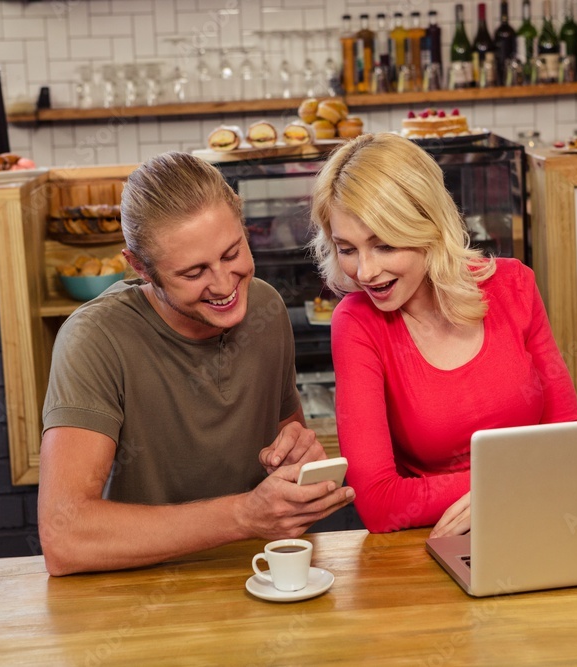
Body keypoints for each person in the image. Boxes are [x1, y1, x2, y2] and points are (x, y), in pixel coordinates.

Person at [38, 151, 355, 576]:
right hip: (142, 591)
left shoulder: (265, 306)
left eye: (232, 253)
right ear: (140, 267)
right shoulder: (94, 339)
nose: (224, 285)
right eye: (193, 273)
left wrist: (299, 460)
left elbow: (289, 447)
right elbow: (64, 539)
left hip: (262, 575)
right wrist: (243, 515)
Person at [309, 133, 577, 537]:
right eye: (347, 249)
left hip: (547, 520)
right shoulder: (356, 323)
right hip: (439, 540)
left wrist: (503, 490)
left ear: (429, 228)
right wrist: (511, 483)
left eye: (384, 246)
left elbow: (572, 447)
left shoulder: (514, 285)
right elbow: (378, 503)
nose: (364, 272)